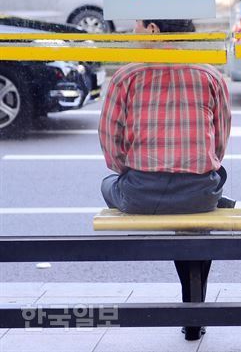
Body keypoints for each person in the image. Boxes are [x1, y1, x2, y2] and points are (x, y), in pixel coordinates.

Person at [98, 18, 232, 341]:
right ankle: (193, 308)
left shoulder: (125, 77)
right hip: (199, 192)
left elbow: (109, 140)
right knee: (201, 210)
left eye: (137, 27)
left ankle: (192, 309)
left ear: (154, 29)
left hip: (139, 192)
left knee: (107, 185)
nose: (133, 35)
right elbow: (220, 141)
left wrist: (129, 171)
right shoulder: (210, 74)